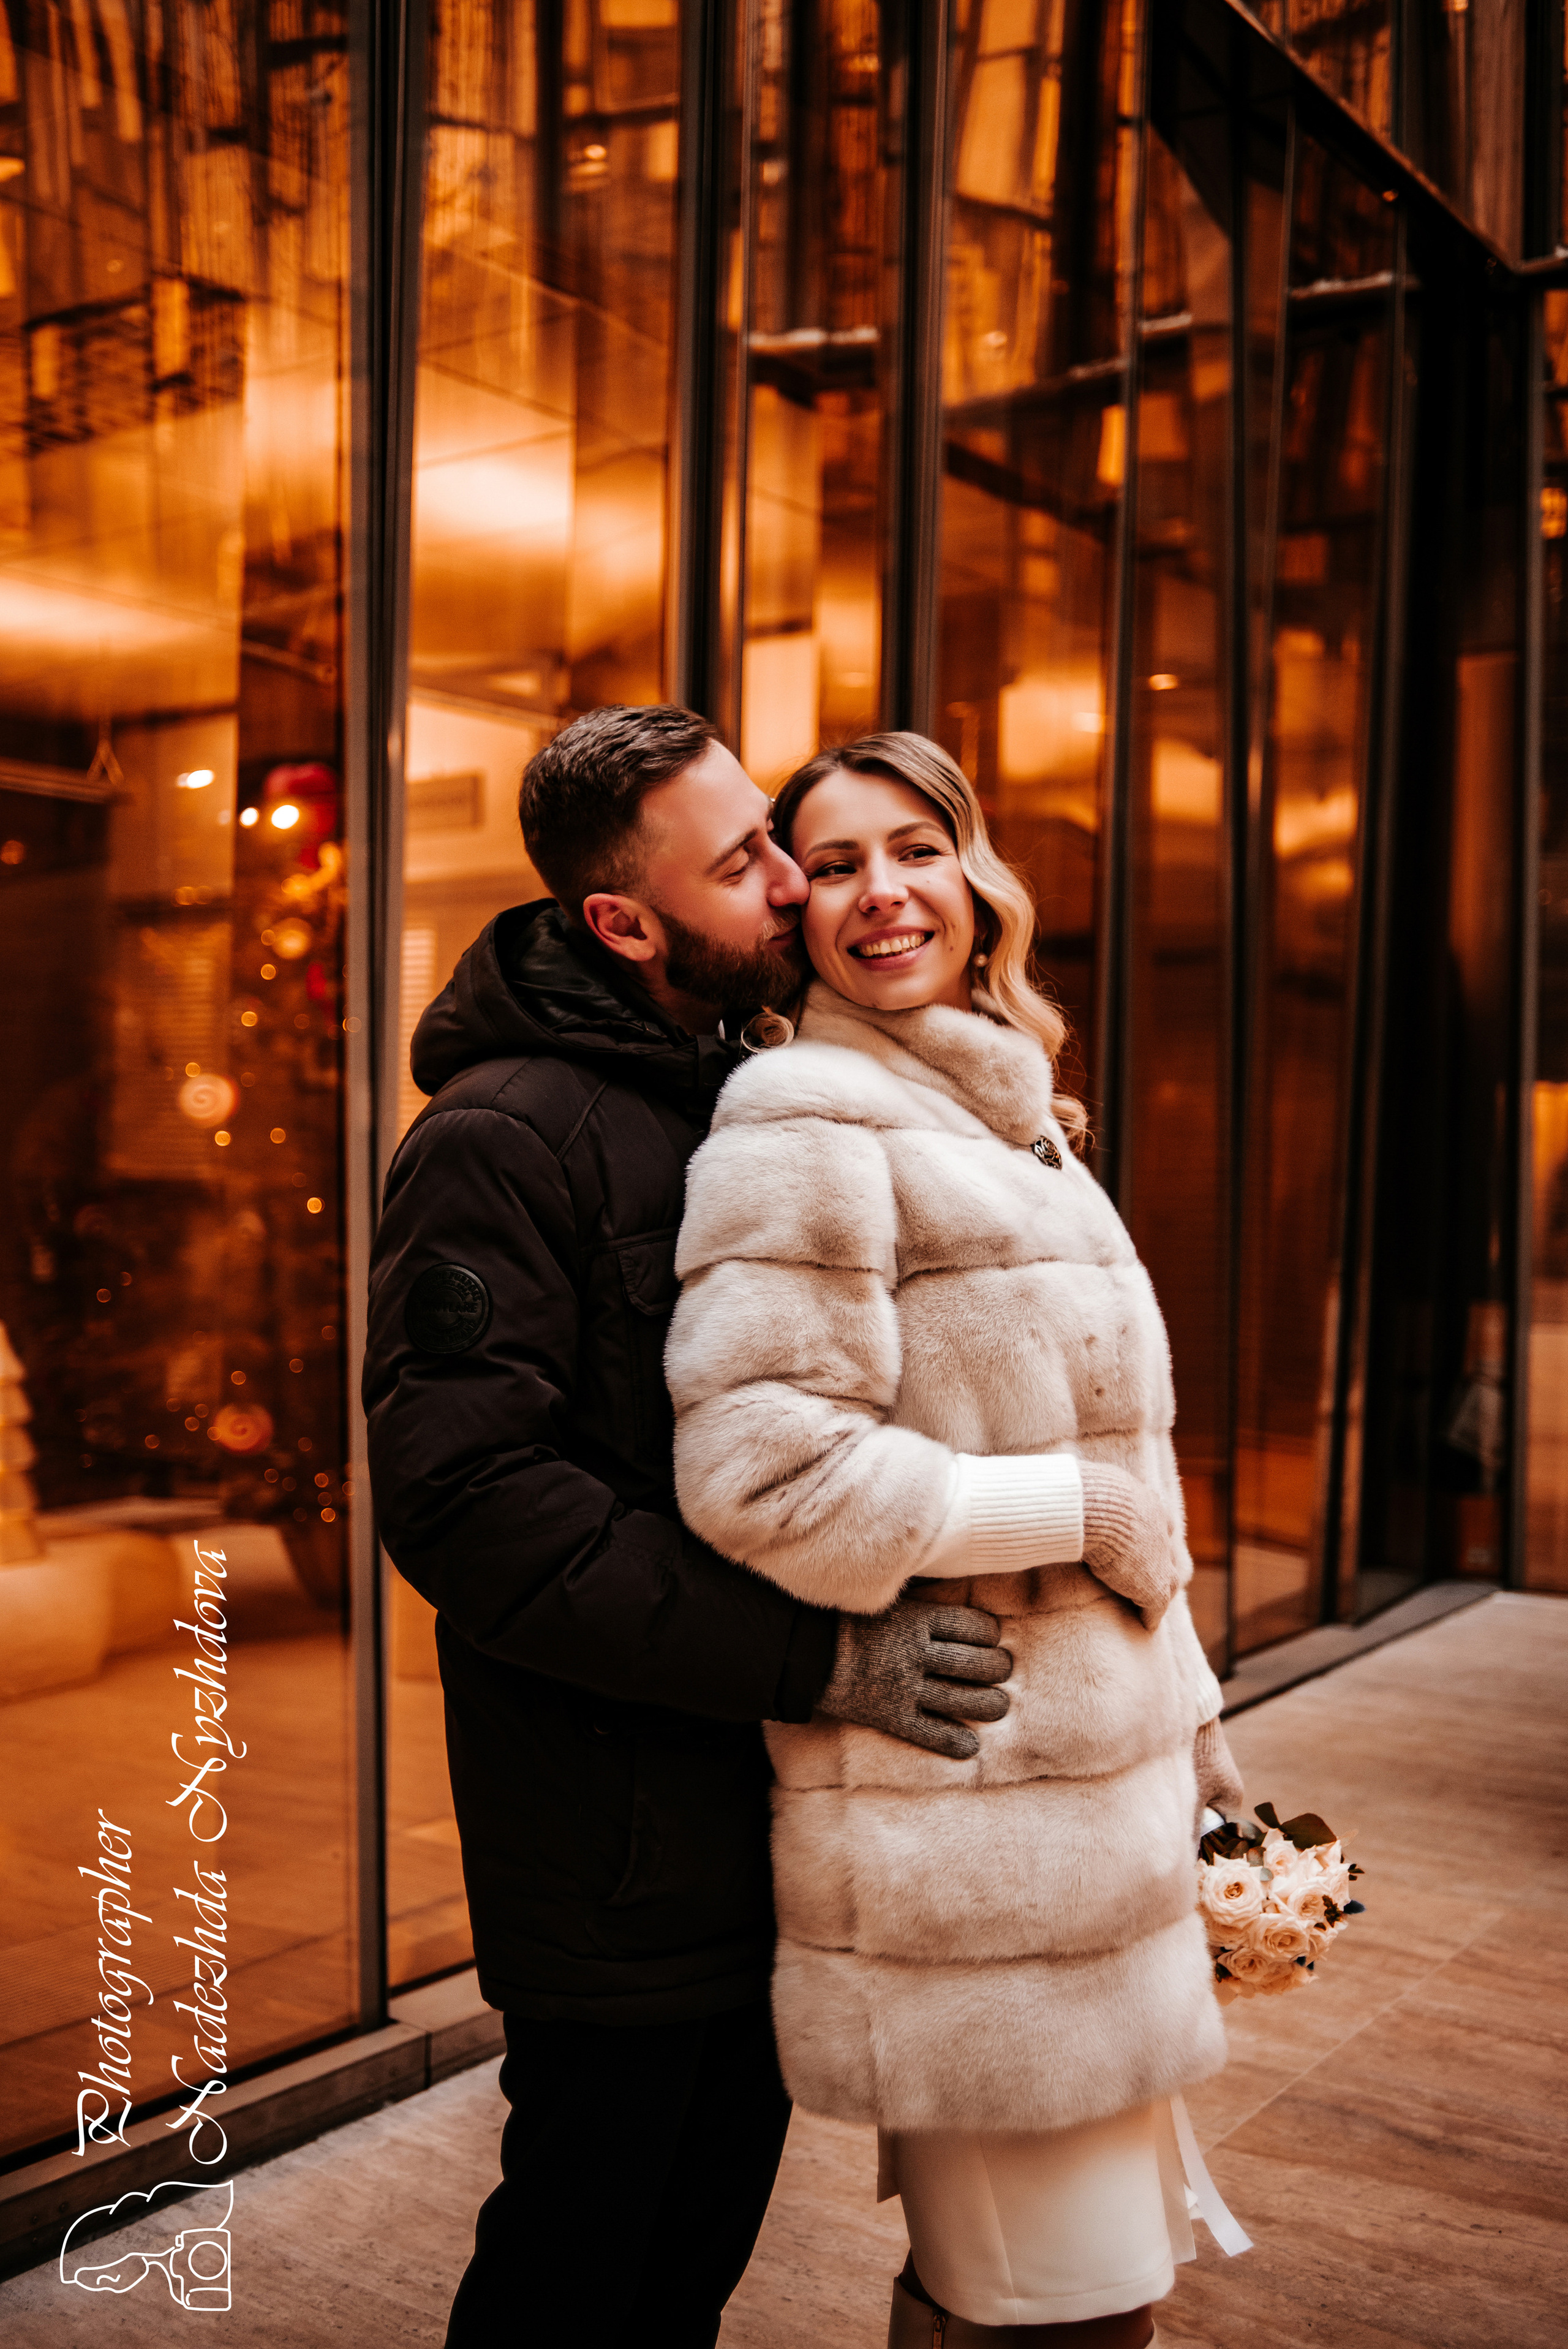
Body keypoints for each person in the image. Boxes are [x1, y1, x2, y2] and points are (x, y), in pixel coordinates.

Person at [362, 705, 1017, 2349]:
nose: (792, 879)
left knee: (693, 2261)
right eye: (744, 861)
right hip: (613, 1851)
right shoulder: (500, 1136)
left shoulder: (749, 1090)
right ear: (622, 921)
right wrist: (822, 1657)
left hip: (761, 1826)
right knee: (583, 2271)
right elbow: (475, 1506)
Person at [667, 732, 1246, 2349]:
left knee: (1078, 2303)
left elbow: (1141, 1470)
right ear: (798, 912)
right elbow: (759, 1470)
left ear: (975, 873)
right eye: (834, 863)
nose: (882, 892)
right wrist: (1074, 1509)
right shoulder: (802, 1111)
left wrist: (1204, 1754)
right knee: (1046, 2309)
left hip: (1098, 1842)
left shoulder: (1018, 1117)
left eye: (913, 846)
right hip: (967, 1846)